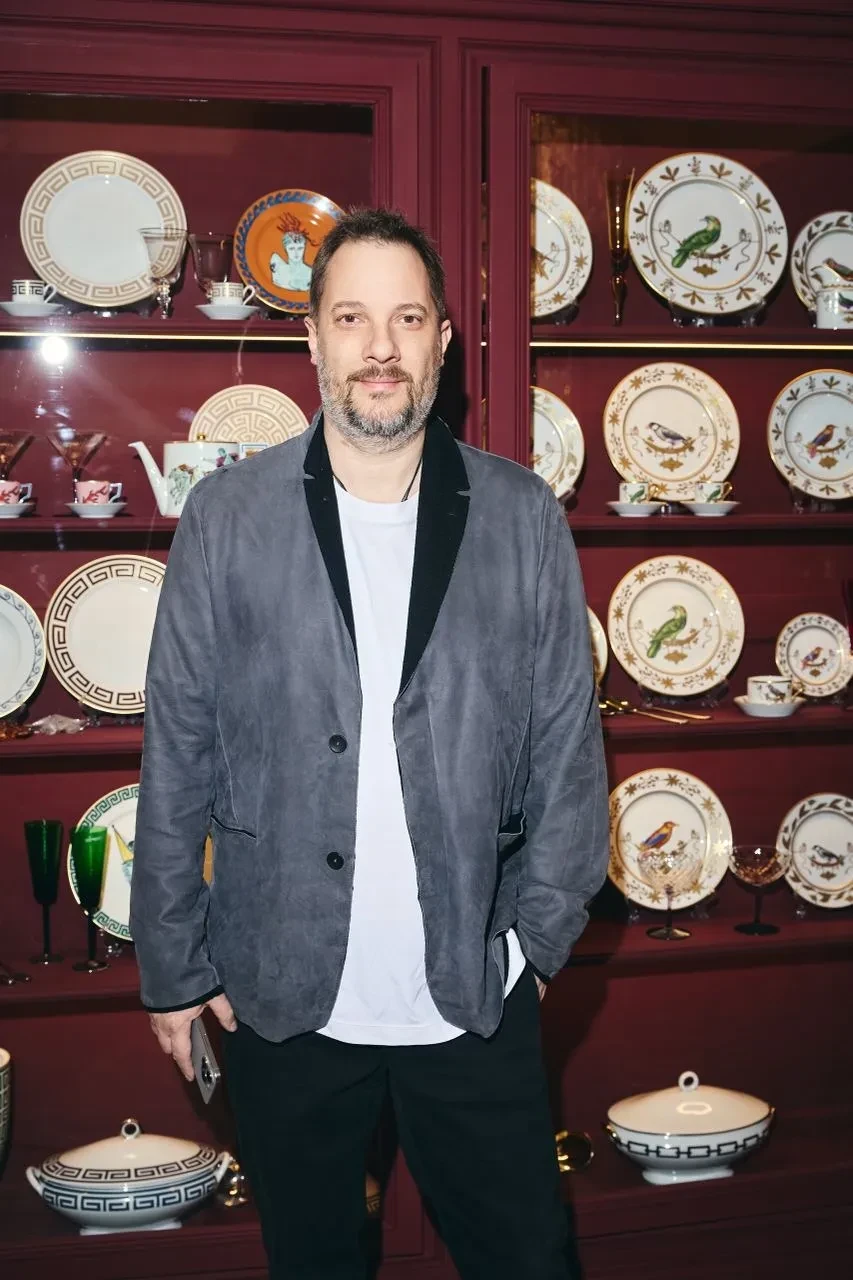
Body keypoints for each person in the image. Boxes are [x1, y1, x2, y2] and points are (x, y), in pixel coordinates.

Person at [130, 207, 609, 1280]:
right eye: (351, 317)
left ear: (445, 340)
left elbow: (569, 756)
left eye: (407, 318)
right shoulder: (226, 517)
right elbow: (177, 752)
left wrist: (536, 945)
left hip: (471, 992)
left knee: (529, 1260)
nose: (380, 347)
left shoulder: (522, 515)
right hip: (280, 993)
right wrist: (171, 969)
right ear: (311, 337)